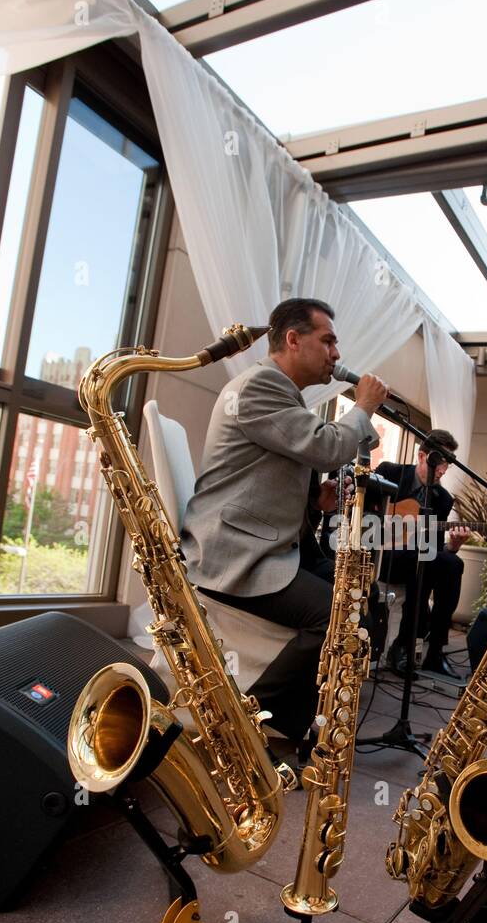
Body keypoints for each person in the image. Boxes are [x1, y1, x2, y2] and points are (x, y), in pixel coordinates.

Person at [179, 298, 388, 749]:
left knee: (360, 600)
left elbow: (264, 472)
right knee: (342, 621)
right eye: (327, 340)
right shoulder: (258, 386)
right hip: (233, 555)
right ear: (293, 340)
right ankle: (247, 719)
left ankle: (292, 725)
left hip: (269, 546)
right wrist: (364, 405)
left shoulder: (281, 393)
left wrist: (315, 499)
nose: (336, 354)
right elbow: (327, 447)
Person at [377, 430, 471, 680]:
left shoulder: (442, 499)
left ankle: (434, 653)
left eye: (447, 466)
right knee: (430, 562)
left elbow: (434, 547)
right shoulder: (390, 473)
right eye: (439, 464)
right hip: (379, 555)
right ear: (421, 456)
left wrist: (453, 547)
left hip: (415, 562)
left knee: (451, 563)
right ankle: (405, 646)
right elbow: (365, 509)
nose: (442, 471)